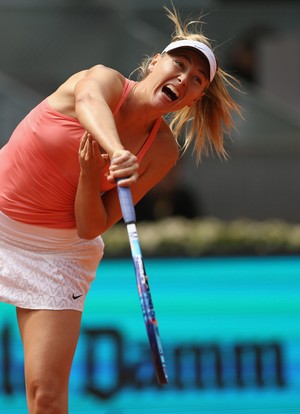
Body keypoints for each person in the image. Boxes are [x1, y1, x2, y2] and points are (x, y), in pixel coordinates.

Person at [0, 6, 241, 414]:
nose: (184, 77)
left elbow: (91, 225)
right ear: (154, 63)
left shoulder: (162, 151)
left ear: (196, 96)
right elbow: (90, 101)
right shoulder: (105, 79)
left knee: (46, 396)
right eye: (178, 64)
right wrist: (114, 151)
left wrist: (90, 175)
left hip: (58, 255)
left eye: (196, 79)